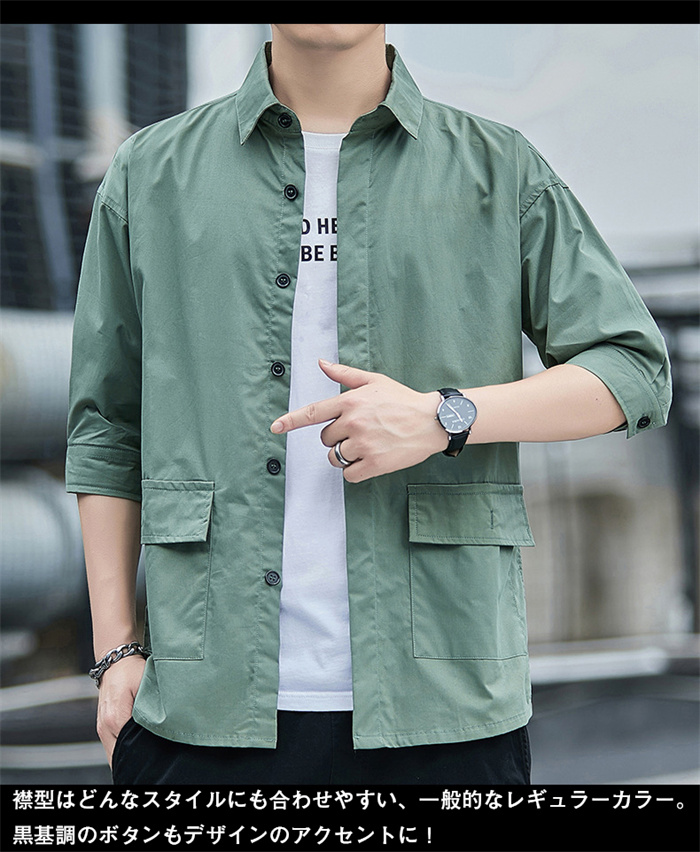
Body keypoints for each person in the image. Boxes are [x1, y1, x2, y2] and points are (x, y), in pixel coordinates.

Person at [65, 24, 672, 785]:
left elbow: (632, 368)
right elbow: (107, 425)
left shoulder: (497, 168)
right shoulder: (151, 173)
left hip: (442, 702)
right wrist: (115, 651)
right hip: (201, 701)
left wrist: (445, 416)